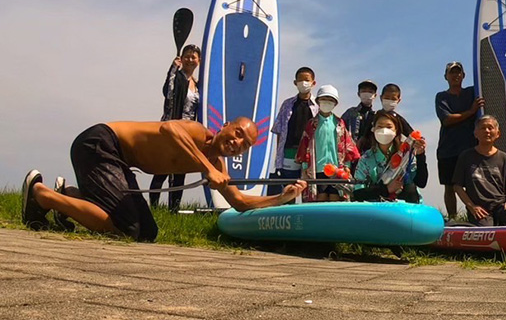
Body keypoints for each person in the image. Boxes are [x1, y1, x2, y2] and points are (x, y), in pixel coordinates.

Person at [20, 117, 306, 241]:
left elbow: (240, 202)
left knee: (147, 233)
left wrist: (281, 198)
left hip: (119, 163)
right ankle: (42, 196)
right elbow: (169, 129)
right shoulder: (196, 133)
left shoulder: (218, 165)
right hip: (99, 144)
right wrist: (207, 168)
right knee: (125, 230)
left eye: (244, 145)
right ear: (226, 126)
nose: (238, 142)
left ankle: (70, 195)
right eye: (238, 133)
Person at [148, 44, 202, 211]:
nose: (190, 60)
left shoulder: (198, 85)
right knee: (162, 169)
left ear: (199, 60)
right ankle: (154, 209)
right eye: (187, 56)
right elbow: (168, 92)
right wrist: (173, 68)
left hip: (188, 134)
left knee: (180, 172)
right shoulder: (177, 78)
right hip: (171, 130)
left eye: (193, 57)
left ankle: (174, 209)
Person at [295, 85, 360, 202]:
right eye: (324, 99)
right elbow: (305, 146)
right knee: (321, 197)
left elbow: (347, 146)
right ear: (318, 101)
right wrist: (305, 167)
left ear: (335, 104)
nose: (327, 102)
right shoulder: (311, 124)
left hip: (337, 169)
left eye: (330, 100)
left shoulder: (339, 123)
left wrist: (347, 166)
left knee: (336, 197)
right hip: (318, 169)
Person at [436, 61, 482, 220]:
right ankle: (453, 218)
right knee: (449, 186)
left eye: (458, 72)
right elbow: (447, 120)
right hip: (448, 149)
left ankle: (474, 216)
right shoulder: (441, 96)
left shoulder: (472, 92)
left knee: (472, 184)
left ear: (464, 75)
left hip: (470, 147)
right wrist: (471, 111)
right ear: (445, 76)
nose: (455, 75)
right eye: (452, 73)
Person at [453, 115, 506, 226]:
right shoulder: (466, 156)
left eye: (490, 128)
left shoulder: (504, 158)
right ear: (475, 133)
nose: (487, 131)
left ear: (497, 133)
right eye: (483, 128)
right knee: (486, 230)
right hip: (479, 208)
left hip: (500, 206)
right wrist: (471, 206)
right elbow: (457, 186)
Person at [352, 112, 428, 204]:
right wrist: (386, 189)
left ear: (396, 131)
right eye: (380, 126)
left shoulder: (405, 154)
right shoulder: (366, 159)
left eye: (389, 127)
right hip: (377, 208)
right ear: (373, 129)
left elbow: (421, 182)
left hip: (405, 207)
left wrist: (420, 155)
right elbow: (357, 193)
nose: (384, 130)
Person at [269, 66, 318, 195]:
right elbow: (279, 131)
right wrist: (279, 155)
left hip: (309, 154)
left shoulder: (317, 106)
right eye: (300, 80)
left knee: (308, 189)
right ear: (295, 83)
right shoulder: (287, 104)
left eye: (307, 80)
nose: (304, 83)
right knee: (289, 188)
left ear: (313, 82)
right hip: (290, 152)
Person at [342, 79, 379, 156]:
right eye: (364, 91)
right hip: (350, 154)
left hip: (369, 156)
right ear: (358, 94)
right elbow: (340, 130)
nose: (367, 93)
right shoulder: (350, 112)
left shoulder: (377, 116)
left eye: (370, 91)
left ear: (375, 95)